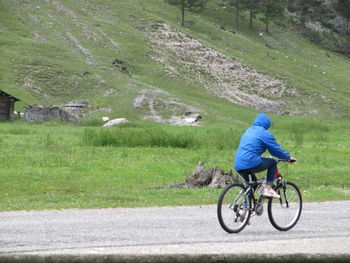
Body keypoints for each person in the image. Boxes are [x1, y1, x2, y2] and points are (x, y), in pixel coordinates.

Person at [234, 112, 296, 199]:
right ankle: (268, 188)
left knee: (252, 185)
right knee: (273, 163)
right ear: (267, 125)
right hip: (250, 162)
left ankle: (244, 208)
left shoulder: (248, 131)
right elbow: (276, 150)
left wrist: (258, 155)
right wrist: (288, 157)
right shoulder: (265, 134)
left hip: (238, 164)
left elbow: (249, 148)